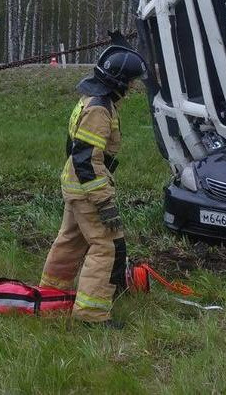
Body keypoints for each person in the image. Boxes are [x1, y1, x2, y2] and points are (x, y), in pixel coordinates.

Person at [39, 44, 146, 326]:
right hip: (88, 189)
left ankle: (51, 292)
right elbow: (87, 158)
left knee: (70, 241)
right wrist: (103, 201)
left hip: (74, 185)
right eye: (132, 82)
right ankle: (92, 314)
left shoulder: (90, 100)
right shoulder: (99, 110)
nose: (134, 87)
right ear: (119, 82)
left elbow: (72, 149)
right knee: (104, 246)